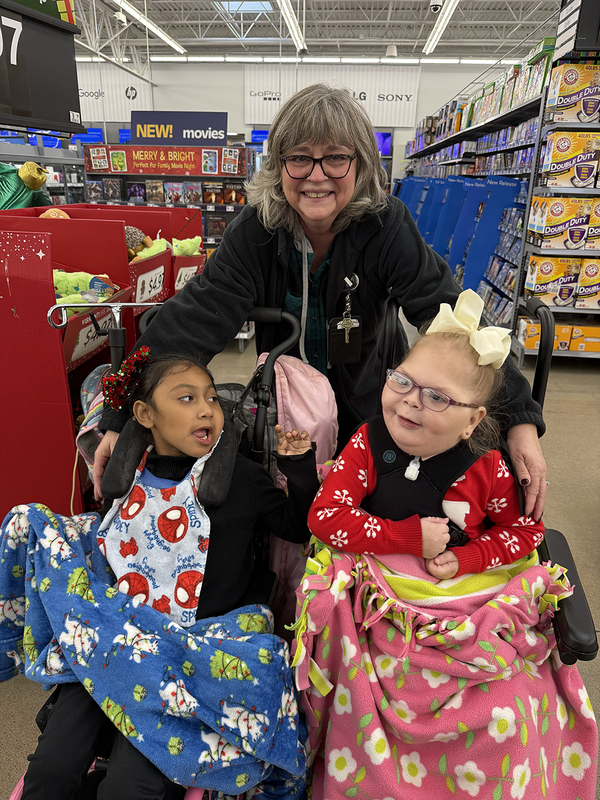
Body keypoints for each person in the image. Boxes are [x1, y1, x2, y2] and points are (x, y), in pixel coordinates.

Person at [94, 83, 547, 521]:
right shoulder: (255, 231)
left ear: (360, 165)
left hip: (371, 408)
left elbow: (454, 319)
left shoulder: (386, 226)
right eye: (299, 158)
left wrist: (520, 418)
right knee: (293, 513)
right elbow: (189, 324)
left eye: (334, 158)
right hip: (284, 415)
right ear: (279, 166)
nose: (316, 175)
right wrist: (120, 415)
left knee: (371, 511)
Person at [21, 350, 319, 800]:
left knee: (127, 788)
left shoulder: (240, 478)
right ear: (145, 415)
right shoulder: (125, 482)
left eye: (212, 399)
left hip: (190, 654)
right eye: (186, 398)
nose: (206, 409)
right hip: (118, 643)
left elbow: (298, 527)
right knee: (50, 771)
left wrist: (297, 466)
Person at [307, 289, 545, 578]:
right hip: (374, 576)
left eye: (436, 397)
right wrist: (403, 536)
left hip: (458, 587)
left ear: (472, 420)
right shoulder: (367, 444)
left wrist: (471, 556)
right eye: (403, 380)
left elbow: (524, 531)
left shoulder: (487, 469)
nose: (410, 399)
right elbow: (324, 516)